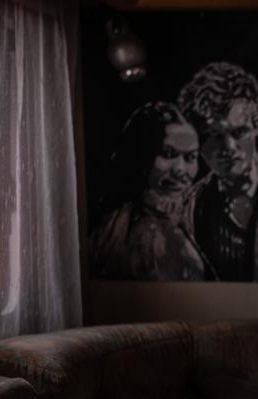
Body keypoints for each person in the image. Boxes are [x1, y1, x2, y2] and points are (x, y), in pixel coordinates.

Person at [89, 101, 208, 281]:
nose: (181, 169)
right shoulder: (135, 230)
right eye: (168, 154)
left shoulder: (184, 213)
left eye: (190, 157)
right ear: (141, 155)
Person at [177, 62, 258, 282]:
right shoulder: (190, 208)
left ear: (256, 126)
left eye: (239, 132)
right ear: (197, 140)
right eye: (214, 136)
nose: (229, 148)